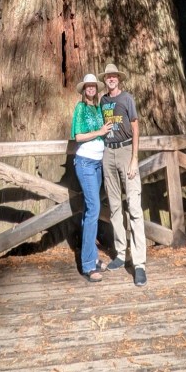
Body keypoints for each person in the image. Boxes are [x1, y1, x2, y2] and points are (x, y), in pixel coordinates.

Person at [99, 62, 147, 287]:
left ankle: (139, 263)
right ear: (105, 79)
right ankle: (120, 253)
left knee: (134, 207)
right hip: (108, 153)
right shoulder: (103, 101)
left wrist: (135, 158)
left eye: (114, 76)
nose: (111, 79)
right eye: (108, 76)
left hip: (127, 151)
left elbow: (135, 127)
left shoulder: (127, 98)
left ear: (118, 78)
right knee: (115, 206)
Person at [71, 73, 113, 282]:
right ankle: (88, 265)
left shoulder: (97, 108)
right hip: (85, 163)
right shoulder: (80, 108)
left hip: (97, 165)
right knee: (94, 209)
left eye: (93, 86)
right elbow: (78, 136)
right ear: (84, 89)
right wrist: (99, 131)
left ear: (96, 88)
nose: (90, 89)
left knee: (90, 210)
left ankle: (92, 257)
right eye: (87, 86)